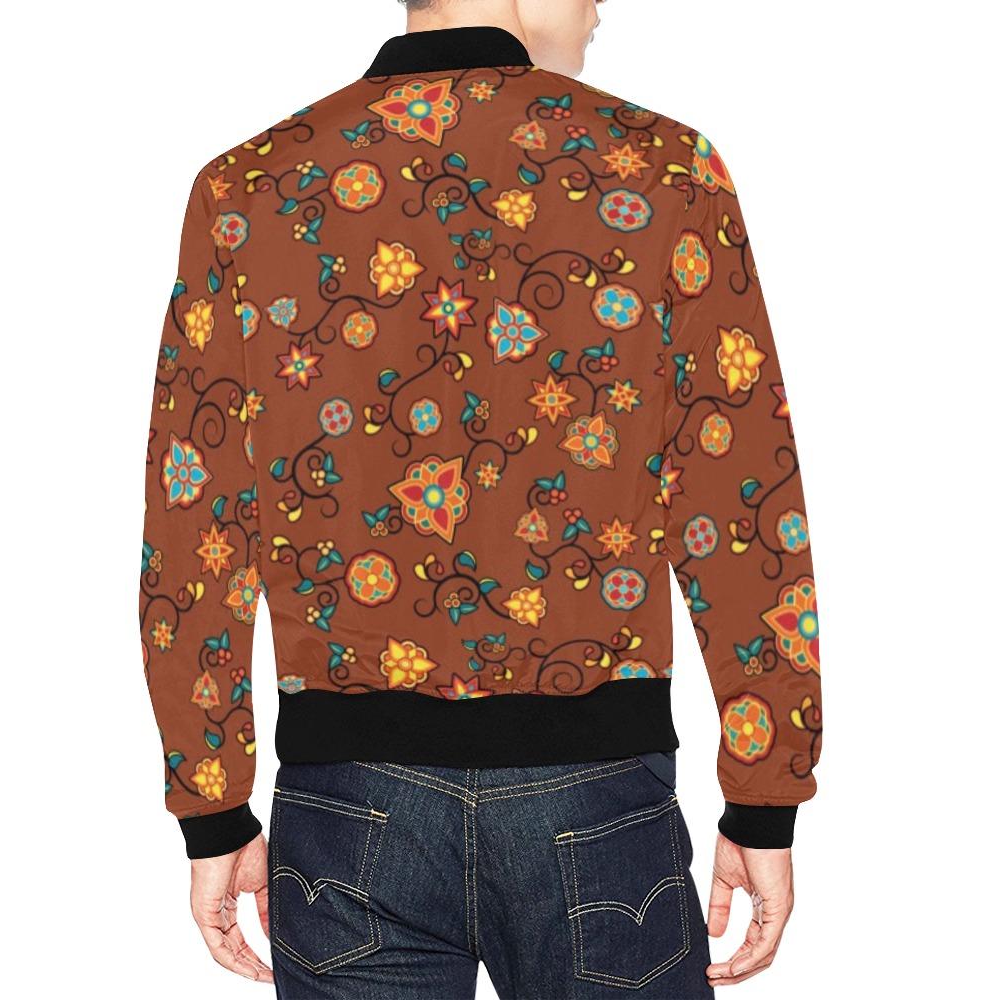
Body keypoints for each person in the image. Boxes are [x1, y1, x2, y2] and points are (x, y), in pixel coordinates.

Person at [138, 1, 823, 996]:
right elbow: (740, 486)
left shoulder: (250, 188)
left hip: (346, 801)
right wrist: (764, 793)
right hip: (599, 791)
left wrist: (212, 806)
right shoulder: (664, 169)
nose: (598, 7)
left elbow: (196, 510)